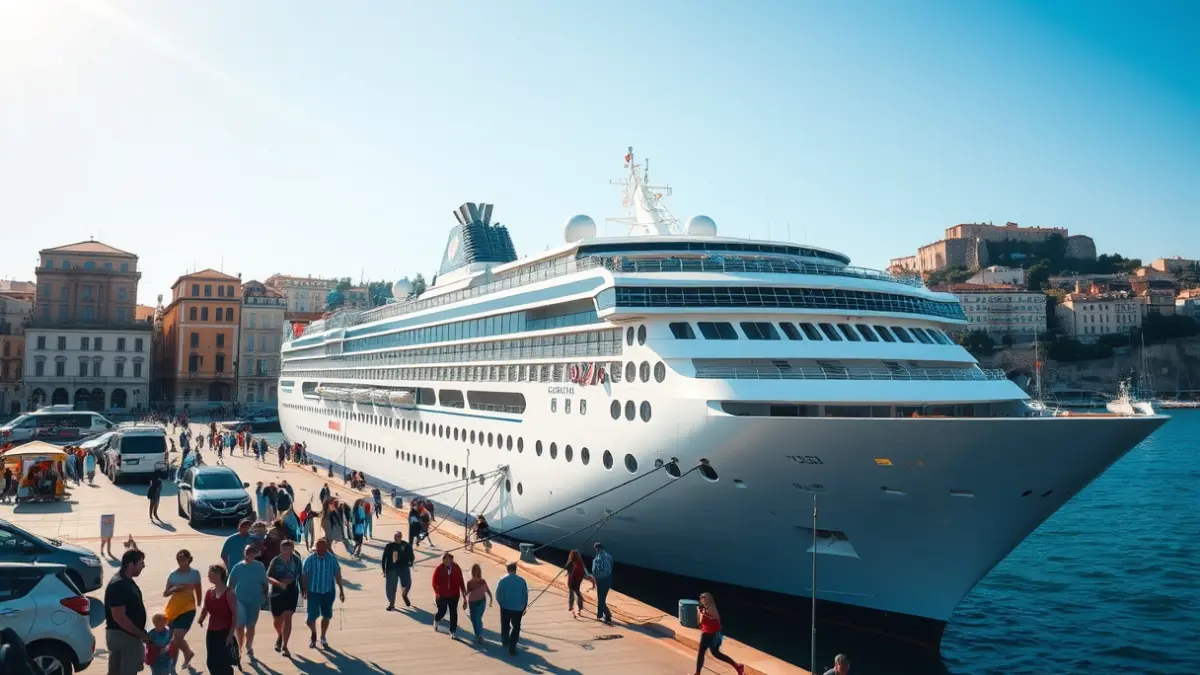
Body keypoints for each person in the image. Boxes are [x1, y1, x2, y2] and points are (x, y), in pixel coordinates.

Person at [104, 548, 149, 675]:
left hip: (126, 636)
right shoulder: (118, 585)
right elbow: (120, 617)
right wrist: (141, 635)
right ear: (131, 565)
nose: (143, 566)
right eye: (141, 563)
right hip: (124, 637)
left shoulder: (125, 581)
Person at [301, 538, 345, 649]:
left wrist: (341, 590)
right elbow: (305, 575)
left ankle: (323, 636)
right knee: (311, 619)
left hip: (328, 592)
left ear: (326, 548)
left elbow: (338, 574)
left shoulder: (332, 559)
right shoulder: (310, 559)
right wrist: (304, 589)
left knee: (327, 615)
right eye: (318, 548)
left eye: (322, 548)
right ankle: (313, 634)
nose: (320, 550)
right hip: (313, 592)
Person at [162, 549, 202, 669]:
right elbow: (165, 593)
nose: (181, 560)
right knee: (175, 641)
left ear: (189, 559)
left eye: (184, 558)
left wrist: (200, 604)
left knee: (177, 637)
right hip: (174, 609)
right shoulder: (173, 574)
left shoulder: (195, 573)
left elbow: (198, 589)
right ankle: (173, 665)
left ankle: (188, 653)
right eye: (179, 558)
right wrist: (174, 589)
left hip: (188, 609)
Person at [228, 544, 269, 659]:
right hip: (240, 600)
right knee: (239, 625)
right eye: (247, 552)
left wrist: (265, 597)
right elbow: (231, 583)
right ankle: (239, 648)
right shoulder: (238, 567)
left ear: (255, 554)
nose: (249, 555)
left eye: (251, 553)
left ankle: (249, 646)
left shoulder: (259, 566)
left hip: (255, 600)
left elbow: (264, 583)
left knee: (251, 625)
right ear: (244, 554)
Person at [197, 564, 238, 675]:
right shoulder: (209, 592)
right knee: (211, 662)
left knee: (224, 663)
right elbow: (205, 608)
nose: (209, 576)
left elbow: (235, 614)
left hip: (224, 632)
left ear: (220, 575)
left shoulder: (229, 593)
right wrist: (201, 618)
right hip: (212, 631)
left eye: (212, 573)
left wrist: (230, 635)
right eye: (209, 574)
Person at [692, 592, 745, 675]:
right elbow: (700, 623)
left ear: (709, 599)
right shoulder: (707, 608)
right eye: (701, 597)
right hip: (711, 633)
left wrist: (698, 612)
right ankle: (737, 666)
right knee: (716, 653)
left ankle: (697, 673)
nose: (701, 599)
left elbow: (701, 621)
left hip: (709, 634)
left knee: (701, 653)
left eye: (703, 597)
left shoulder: (710, 609)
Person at [267, 540, 303, 657]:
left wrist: (304, 589)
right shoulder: (276, 561)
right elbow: (268, 576)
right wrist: (278, 583)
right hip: (277, 592)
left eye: (288, 549)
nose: (285, 552)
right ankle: (280, 635)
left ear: (292, 549)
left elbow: (301, 576)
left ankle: (285, 646)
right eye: (283, 549)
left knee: (288, 617)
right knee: (277, 619)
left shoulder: (297, 561)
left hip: (291, 591)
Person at [495, 562, 528, 657]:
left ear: (507, 569)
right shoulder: (522, 581)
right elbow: (525, 595)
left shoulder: (503, 580)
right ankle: (512, 647)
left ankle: (505, 640)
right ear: (515, 569)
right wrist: (524, 606)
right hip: (518, 609)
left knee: (505, 624)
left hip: (505, 606)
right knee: (516, 627)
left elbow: (498, 594)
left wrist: (501, 603)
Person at [431, 552, 467, 637]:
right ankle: (436, 620)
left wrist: (464, 596)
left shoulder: (456, 568)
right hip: (442, 595)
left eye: (448, 559)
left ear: (452, 559)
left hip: (454, 595)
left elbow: (461, 581)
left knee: (453, 613)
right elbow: (434, 582)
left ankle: (452, 631)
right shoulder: (439, 568)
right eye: (445, 559)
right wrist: (437, 592)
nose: (447, 561)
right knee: (442, 611)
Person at [381, 530, 414, 610]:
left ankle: (404, 594)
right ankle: (391, 603)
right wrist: (384, 569)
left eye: (398, 536)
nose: (396, 538)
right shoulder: (389, 546)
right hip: (392, 569)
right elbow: (384, 557)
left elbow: (411, 556)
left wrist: (411, 562)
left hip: (403, 567)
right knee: (391, 588)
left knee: (407, 584)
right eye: (395, 536)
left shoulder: (406, 545)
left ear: (401, 537)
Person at [465, 563, 493, 645]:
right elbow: (488, 592)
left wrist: (464, 596)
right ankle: (479, 635)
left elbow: (467, 592)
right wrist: (491, 600)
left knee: (475, 619)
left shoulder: (470, 582)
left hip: (473, 603)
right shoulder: (482, 581)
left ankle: (478, 635)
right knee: (478, 619)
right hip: (482, 602)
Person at [591, 542, 614, 625]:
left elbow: (594, 571)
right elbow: (611, 566)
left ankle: (607, 616)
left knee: (601, 599)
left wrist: (594, 581)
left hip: (600, 581)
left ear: (596, 548)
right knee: (602, 598)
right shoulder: (609, 556)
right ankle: (603, 615)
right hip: (608, 579)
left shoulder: (596, 559)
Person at [565, 549, 588, 619]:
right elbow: (582, 572)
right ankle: (577, 607)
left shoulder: (575, 562)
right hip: (575, 580)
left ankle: (573, 607)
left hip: (575, 580)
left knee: (573, 593)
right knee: (575, 593)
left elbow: (567, 568)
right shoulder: (576, 562)